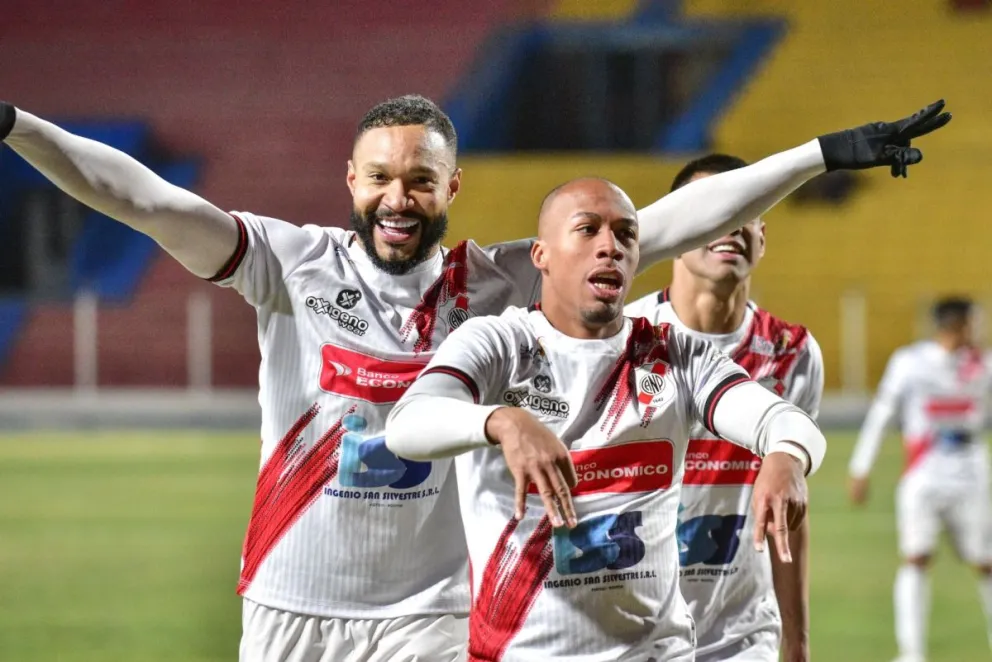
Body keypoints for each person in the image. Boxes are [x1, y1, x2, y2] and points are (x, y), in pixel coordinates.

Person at [0, 94, 949, 661]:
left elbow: (668, 223)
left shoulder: (495, 284)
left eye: (420, 179)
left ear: (451, 187)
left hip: (433, 615)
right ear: (350, 181)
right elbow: (139, 196)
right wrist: (14, 125)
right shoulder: (288, 263)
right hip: (291, 604)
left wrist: (823, 155)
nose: (398, 197)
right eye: (380, 177)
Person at [385, 176, 828, 661]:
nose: (610, 247)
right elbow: (407, 425)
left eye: (626, 235)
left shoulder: (674, 355)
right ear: (541, 256)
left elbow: (779, 418)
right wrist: (500, 422)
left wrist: (787, 454)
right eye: (587, 229)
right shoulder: (498, 344)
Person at [625, 154, 824, 662]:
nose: (730, 224)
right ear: (675, 230)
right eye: (713, 210)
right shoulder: (621, 340)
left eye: (745, 212)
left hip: (742, 634)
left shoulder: (794, 352)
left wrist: (797, 639)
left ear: (762, 237)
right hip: (632, 632)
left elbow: (788, 509)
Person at [848, 297, 992, 662]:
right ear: (957, 325)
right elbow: (882, 413)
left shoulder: (982, 364)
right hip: (924, 473)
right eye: (973, 323)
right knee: (916, 557)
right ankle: (911, 654)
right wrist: (861, 466)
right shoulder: (910, 363)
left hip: (971, 471)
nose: (978, 331)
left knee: (985, 561)